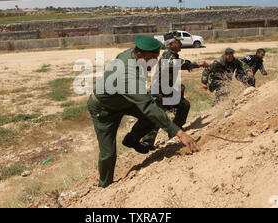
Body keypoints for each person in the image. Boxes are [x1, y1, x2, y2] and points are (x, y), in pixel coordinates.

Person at [87, 35, 200, 188]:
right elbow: (147, 106)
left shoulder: (134, 55)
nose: (154, 63)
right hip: (104, 110)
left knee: (154, 115)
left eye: (156, 58)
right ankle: (104, 186)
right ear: (139, 55)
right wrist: (179, 133)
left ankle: (132, 139)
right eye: (152, 58)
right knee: (108, 153)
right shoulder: (127, 73)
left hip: (125, 101)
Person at [140, 36, 209, 150]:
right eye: (178, 42)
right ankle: (146, 144)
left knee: (183, 105)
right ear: (171, 45)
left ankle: (174, 130)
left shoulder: (171, 54)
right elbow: (174, 64)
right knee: (157, 117)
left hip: (167, 91)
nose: (181, 44)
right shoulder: (168, 54)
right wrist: (197, 64)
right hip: (159, 93)